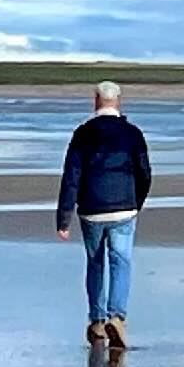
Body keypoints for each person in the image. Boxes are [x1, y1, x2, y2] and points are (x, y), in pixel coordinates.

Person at [55, 77, 152, 347]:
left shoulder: (82, 134)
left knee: (96, 263)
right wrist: (136, 202)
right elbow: (144, 172)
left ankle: (98, 321)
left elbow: (71, 176)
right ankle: (117, 317)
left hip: (91, 209)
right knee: (121, 262)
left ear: (95, 101)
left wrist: (64, 218)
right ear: (118, 101)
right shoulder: (133, 133)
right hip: (124, 208)